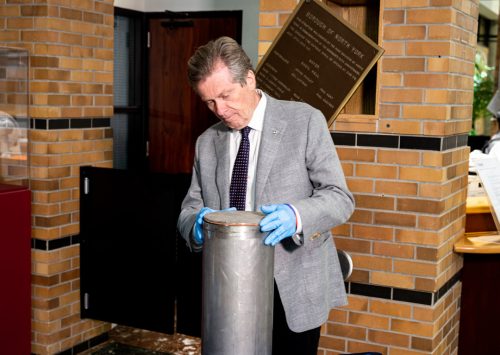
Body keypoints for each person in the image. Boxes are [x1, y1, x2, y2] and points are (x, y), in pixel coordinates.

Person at [177, 36, 355, 355]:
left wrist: (296, 215)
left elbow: (340, 198)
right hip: (229, 288)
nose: (220, 110)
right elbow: (190, 209)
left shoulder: (304, 120)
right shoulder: (207, 142)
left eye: (226, 96)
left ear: (249, 79)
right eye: (208, 102)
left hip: (291, 286)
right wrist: (195, 226)